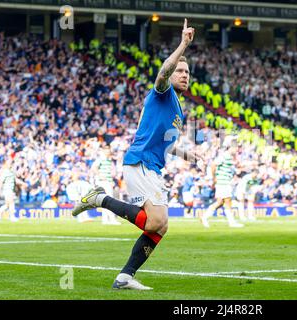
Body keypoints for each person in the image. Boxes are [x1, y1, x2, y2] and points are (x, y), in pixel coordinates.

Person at [72, 19, 196, 290]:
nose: (185, 75)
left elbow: (163, 141)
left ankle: (125, 276)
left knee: (160, 228)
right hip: (140, 161)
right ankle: (100, 198)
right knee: (156, 221)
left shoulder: (177, 110)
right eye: (181, 71)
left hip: (152, 166)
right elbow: (164, 71)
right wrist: (183, 44)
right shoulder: (162, 93)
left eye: (188, 72)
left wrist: (184, 154)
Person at [201, 145, 244, 228]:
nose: (236, 149)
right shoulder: (224, 156)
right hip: (222, 182)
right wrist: (214, 178)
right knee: (227, 201)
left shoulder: (229, 157)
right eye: (235, 148)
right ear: (230, 147)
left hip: (225, 181)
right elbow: (213, 165)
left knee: (220, 202)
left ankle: (204, 217)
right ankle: (232, 222)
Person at [90, 145, 121, 225]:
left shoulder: (108, 160)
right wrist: (101, 176)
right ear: (104, 151)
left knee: (105, 201)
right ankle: (112, 220)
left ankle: (105, 220)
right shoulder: (101, 159)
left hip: (106, 182)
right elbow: (94, 168)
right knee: (109, 201)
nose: (108, 152)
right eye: (107, 150)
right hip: (103, 182)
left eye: (109, 150)